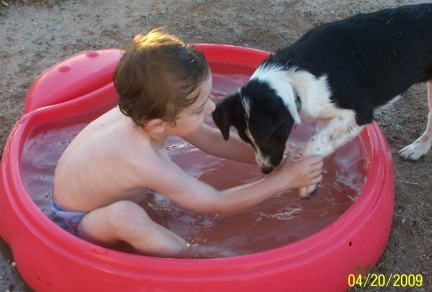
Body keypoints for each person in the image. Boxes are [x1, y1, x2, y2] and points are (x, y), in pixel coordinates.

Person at [51, 28, 324, 257]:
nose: (210, 109)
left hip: (89, 191)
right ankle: (191, 257)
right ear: (158, 124)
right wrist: (285, 180)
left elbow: (214, 142)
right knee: (127, 217)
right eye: (198, 109)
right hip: (77, 223)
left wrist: (272, 159)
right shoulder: (141, 157)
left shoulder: (151, 113)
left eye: (207, 98)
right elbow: (213, 201)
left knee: (144, 198)